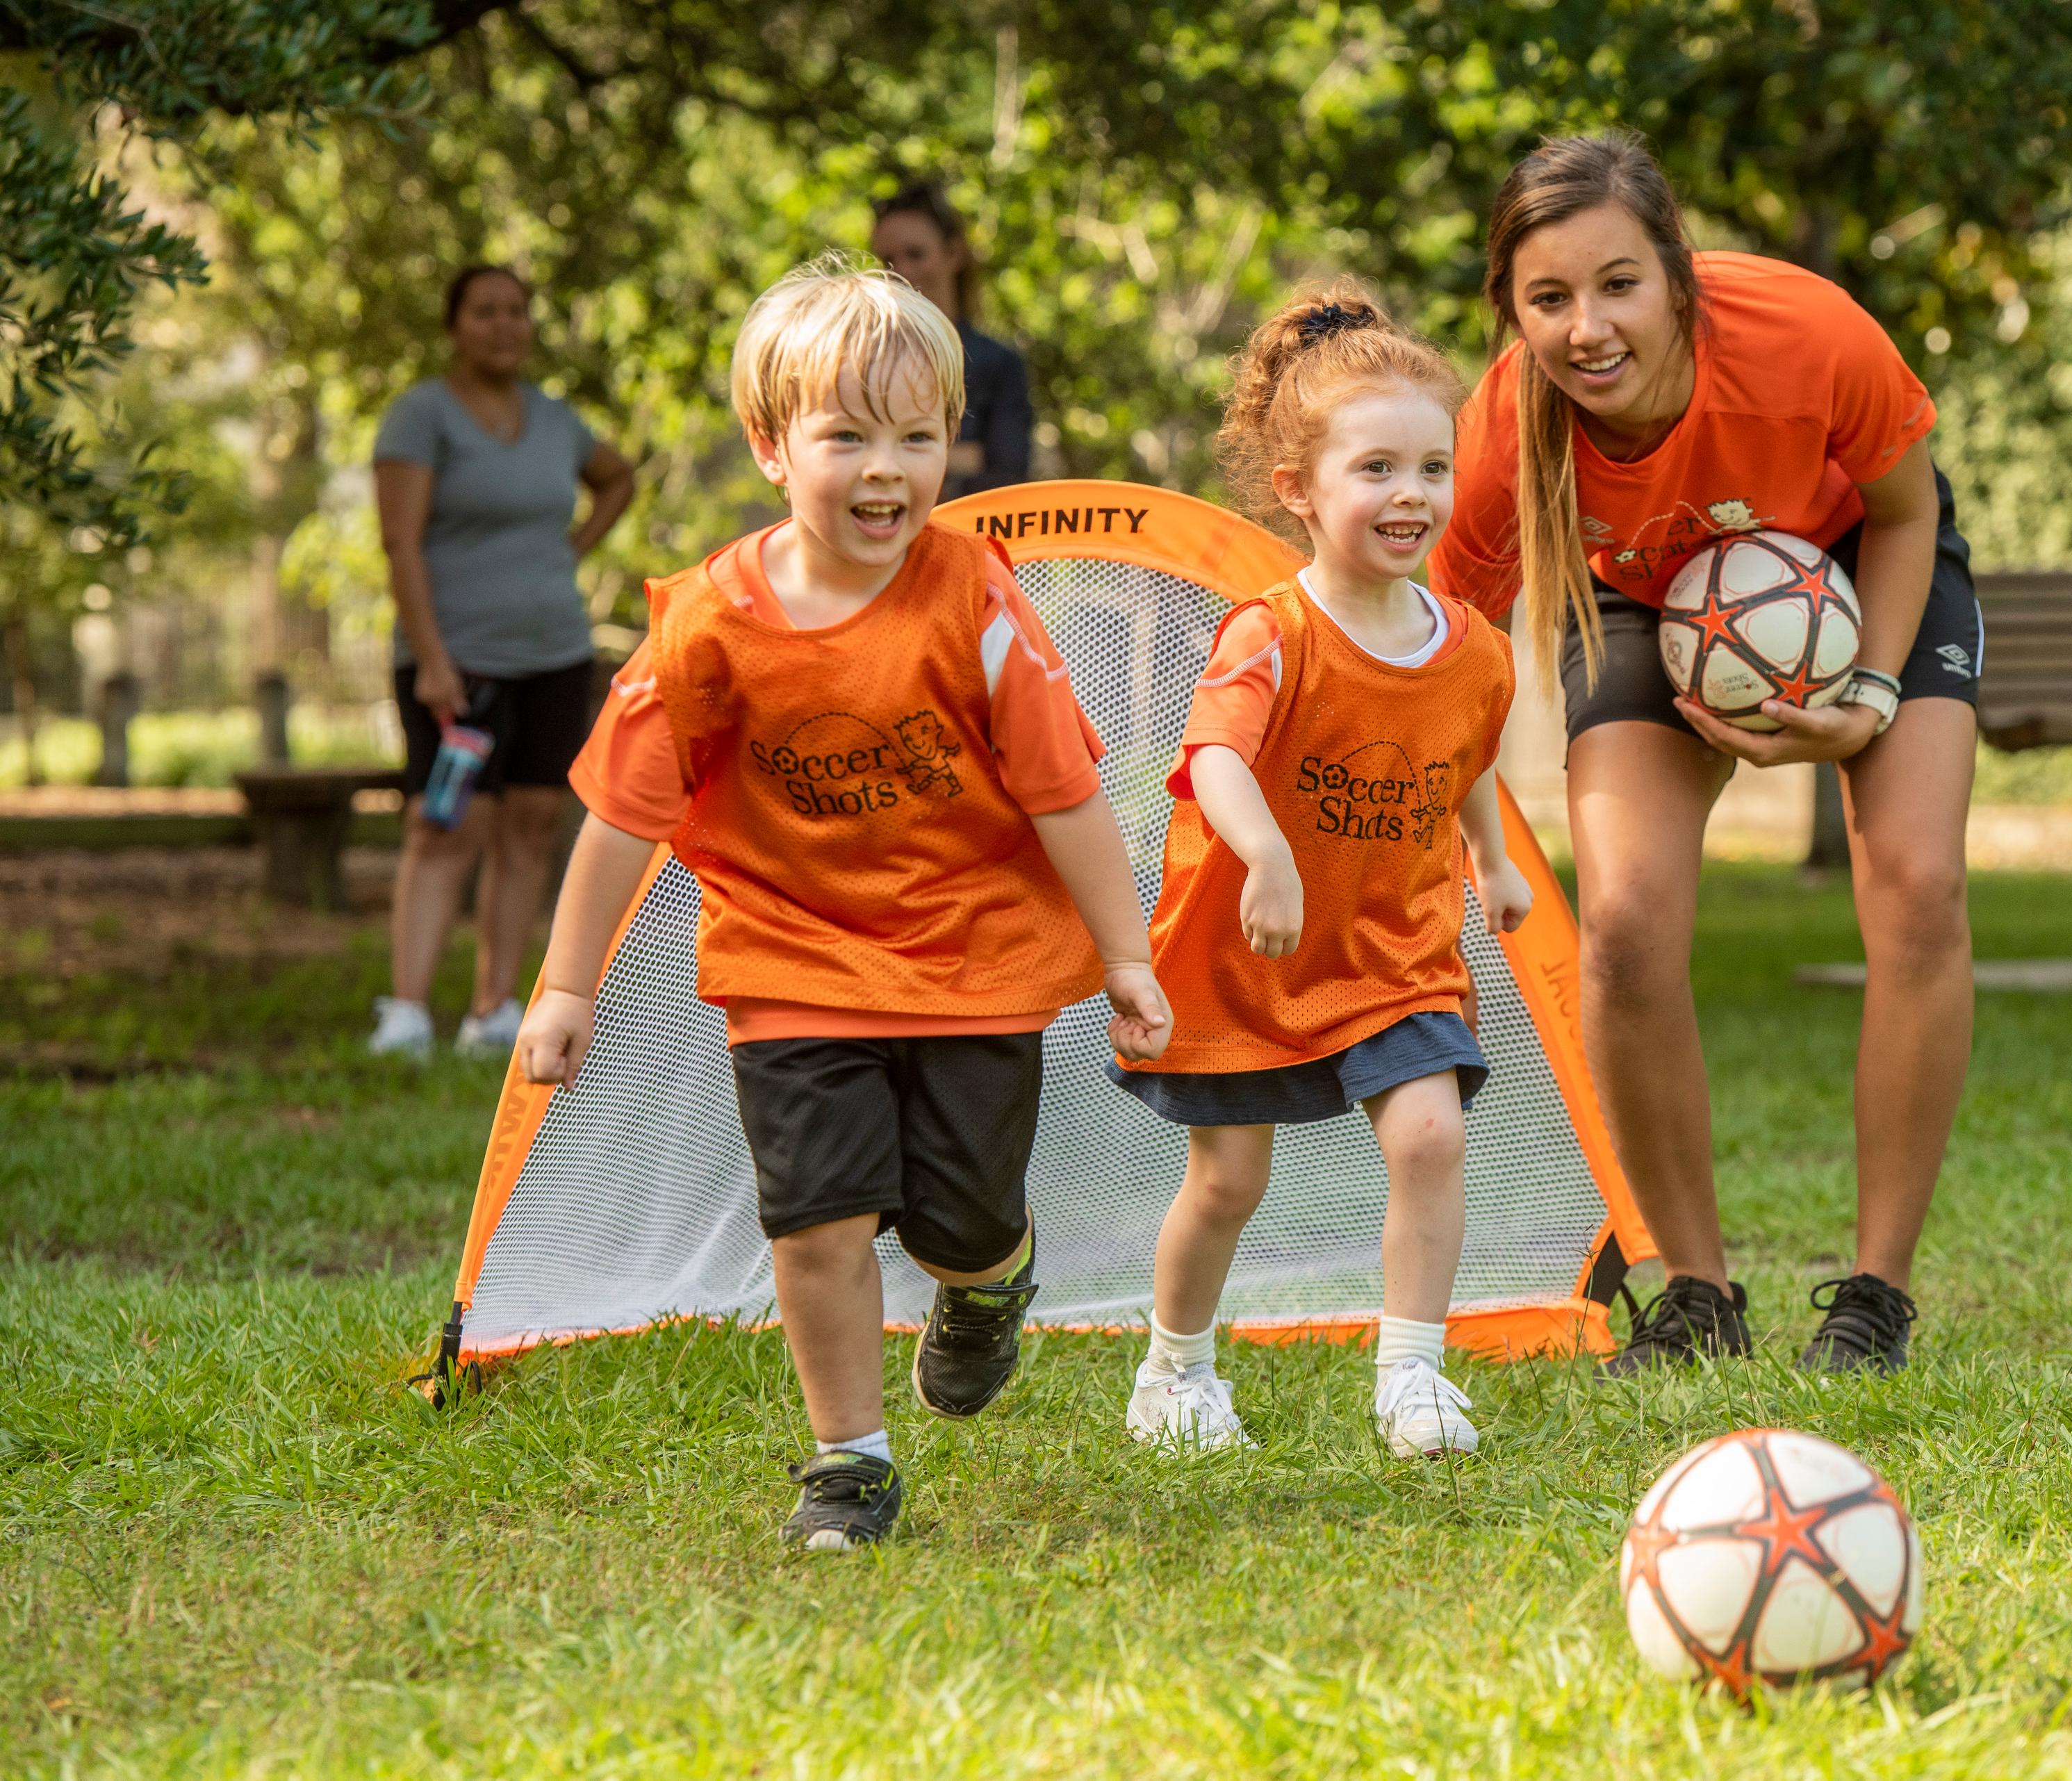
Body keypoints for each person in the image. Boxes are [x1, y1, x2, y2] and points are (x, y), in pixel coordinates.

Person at [513, 256, 1174, 1550]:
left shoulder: (975, 597)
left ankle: (990, 1284)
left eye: (918, 437)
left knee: (961, 1221)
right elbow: (623, 815)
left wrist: (1127, 956)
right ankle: (849, 1461)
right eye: (848, 436)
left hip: (973, 961)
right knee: (815, 1219)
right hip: (792, 965)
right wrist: (568, 983)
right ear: (771, 446)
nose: (888, 469)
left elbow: (1064, 791)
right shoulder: (709, 625)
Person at [1430, 135, 1981, 1377]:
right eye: (1549, 299)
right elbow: (1445, 657)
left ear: (1678, 274)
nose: (1589, 329)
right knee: (1622, 922)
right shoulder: (1500, 440)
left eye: (1618, 284)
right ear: (1511, 314)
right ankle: (1694, 1293)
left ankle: (1877, 1294)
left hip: (1858, 569)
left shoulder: (1806, 335)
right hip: (1633, 598)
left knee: (1919, 885)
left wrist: (1872, 694)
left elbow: (1906, 511)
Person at [1113, 285, 1529, 1459]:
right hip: (1251, 953)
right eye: (1377, 469)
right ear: (1299, 489)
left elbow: (1464, 758)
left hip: (1394, 949)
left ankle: (1414, 1374)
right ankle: (1176, 1371)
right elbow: (1215, 761)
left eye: (1433, 468)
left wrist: (1492, 861)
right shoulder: (1271, 633)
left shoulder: (1472, 648)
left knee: (1431, 1135)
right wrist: (1269, 855)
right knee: (1228, 1180)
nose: (1412, 495)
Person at [369, 265, 636, 1060]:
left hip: (553, 653)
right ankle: (408, 1012)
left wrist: (572, 551)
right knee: (447, 825)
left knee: (530, 824)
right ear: (455, 325)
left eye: (516, 312)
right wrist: (432, 658)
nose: (504, 326)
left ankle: (492, 1010)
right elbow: (399, 542)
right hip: (458, 661)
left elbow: (616, 479)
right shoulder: (421, 416)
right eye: (485, 312)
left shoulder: (557, 420)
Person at [870, 180, 1033, 502]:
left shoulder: (998, 364)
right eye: (887, 260)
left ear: (953, 253)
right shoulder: (865, 358)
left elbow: (1007, 475)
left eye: (916, 254)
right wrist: (963, 456)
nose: (901, 271)